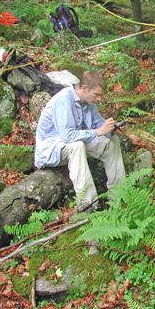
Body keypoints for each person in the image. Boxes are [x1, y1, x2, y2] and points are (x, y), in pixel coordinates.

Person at [34, 71, 125, 212]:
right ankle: (89, 205)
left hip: (73, 144)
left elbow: (98, 124)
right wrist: (96, 132)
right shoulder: (64, 100)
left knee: (111, 143)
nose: (99, 99)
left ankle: (119, 195)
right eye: (96, 95)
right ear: (84, 89)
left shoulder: (89, 102)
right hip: (51, 149)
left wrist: (110, 129)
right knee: (77, 146)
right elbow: (68, 137)